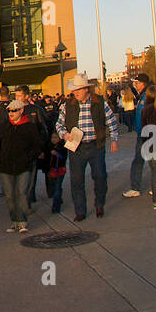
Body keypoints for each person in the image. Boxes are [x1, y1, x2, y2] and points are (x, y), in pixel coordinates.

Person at [54, 74, 120, 222]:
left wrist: (114, 140)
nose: (75, 92)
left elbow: (111, 122)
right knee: (77, 180)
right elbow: (59, 124)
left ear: (85, 89)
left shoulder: (99, 102)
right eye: (74, 90)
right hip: (76, 148)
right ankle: (80, 211)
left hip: (95, 146)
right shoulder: (67, 105)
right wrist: (64, 134)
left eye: (78, 89)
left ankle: (99, 205)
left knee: (100, 176)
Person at [0, 98, 45, 230]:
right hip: (6, 166)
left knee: (21, 193)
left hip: (23, 166)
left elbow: (37, 145)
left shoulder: (29, 127)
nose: (11, 113)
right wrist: (0, 156)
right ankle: (15, 220)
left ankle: (22, 221)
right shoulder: (4, 127)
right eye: (9, 110)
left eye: (14, 111)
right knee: (10, 195)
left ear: (21, 111)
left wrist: (28, 158)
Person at [122, 74, 151, 199]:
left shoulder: (149, 95)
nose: (136, 85)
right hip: (142, 132)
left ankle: (137, 187)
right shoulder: (142, 95)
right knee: (142, 160)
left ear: (143, 83)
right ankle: (136, 187)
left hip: (148, 133)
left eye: (137, 83)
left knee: (146, 160)